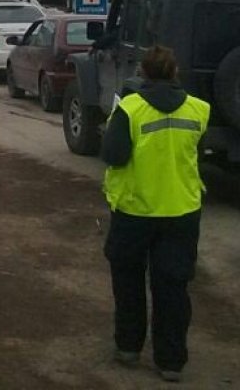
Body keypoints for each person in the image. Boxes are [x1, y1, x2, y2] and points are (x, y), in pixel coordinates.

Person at [101, 45, 210, 383]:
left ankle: (129, 346)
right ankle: (171, 361)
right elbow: (194, 154)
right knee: (173, 286)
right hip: (181, 211)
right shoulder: (199, 109)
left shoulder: (130, 109)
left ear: (143, 73)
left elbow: (114, 156)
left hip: (134, 210)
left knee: (128, 281)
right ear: (175, 72)